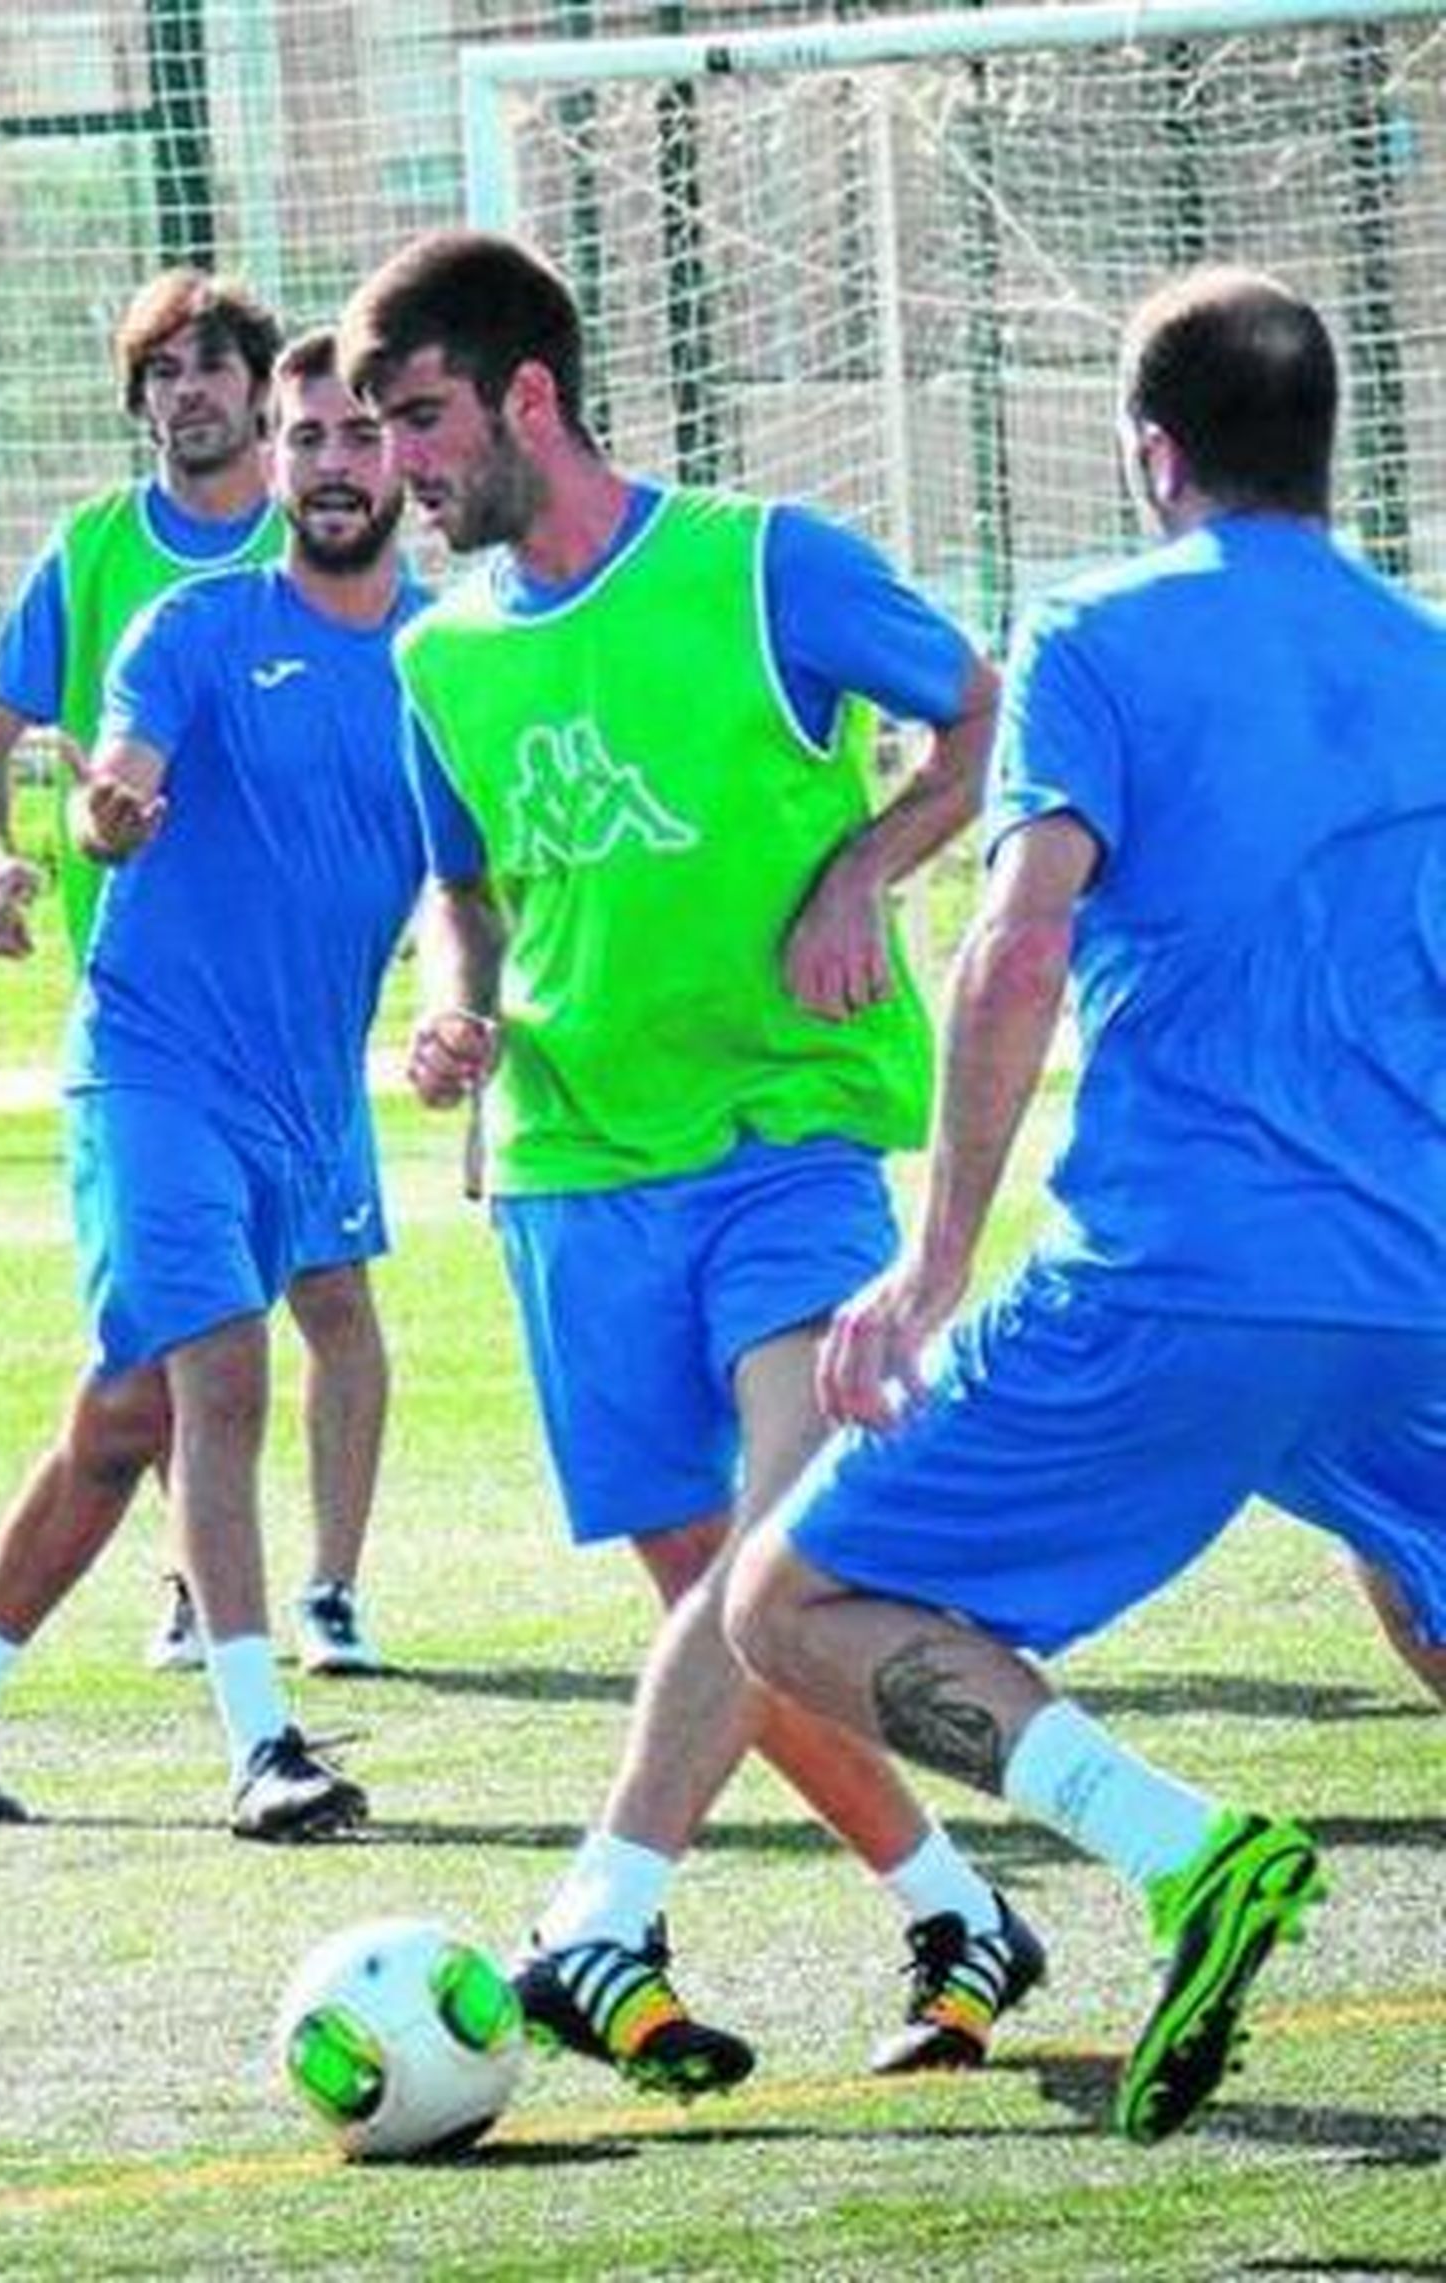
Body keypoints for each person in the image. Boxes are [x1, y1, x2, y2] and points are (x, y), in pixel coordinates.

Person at [725, 265, 1446, 2143]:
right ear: (1327, 451)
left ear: (1153, 454)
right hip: (1413, 1283)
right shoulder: (1430, 655)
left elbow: (1020, 937)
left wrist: (934, 1258)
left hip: (1175, 1274)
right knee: (1426, 1603)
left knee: (786, 1599)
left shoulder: (1096, 630)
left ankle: (1185, 1846)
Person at [337, 230, 1040, 2098]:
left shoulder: (762, 567)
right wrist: (453, 1009)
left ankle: (600, 1911)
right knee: (727, 1611)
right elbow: (465, 889)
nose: (398, 463)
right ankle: (962, 1905)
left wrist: (858, 867)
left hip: (781, 1142)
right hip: (571, 1171)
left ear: (527, 398)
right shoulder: (440, 652)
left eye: (419, 420)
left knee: (778, 1561)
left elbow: (989, 715)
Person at [0, 329, 427, 1840]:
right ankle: (262, 1737)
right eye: (307, 434)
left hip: (304, 1098)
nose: (332, 461)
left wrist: (471, 1010)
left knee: (124, 1417)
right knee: (221, 1371)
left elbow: (475, 881)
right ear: (276, 451)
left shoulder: (451, 655)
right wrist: (107, 820)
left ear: (406, 461)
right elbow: (118, 781)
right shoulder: (190, 628)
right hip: (151, 1062)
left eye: (360, 434)